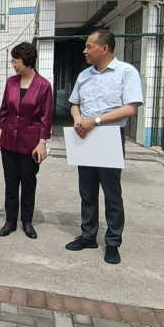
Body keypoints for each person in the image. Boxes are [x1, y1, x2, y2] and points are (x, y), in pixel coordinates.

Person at [65, 29, 143, 264]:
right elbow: (75, 103)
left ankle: (113, 242)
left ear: (104, 48)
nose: (85, 51)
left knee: (112, 194)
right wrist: (78, 119)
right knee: (87, 191)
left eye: (89, 46)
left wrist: (95, 121)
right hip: (85, 136)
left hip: (109, 136)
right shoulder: (84, 75)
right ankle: (88, 235)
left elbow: (130, 108)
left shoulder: (126, 72)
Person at [0, 43, 52, 240]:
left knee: (28, 182)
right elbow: (4, 109)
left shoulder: (43, 85)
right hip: (9, 140)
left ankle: (27, 221)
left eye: (16, 61)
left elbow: (46, 117)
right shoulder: (11, 82)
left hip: (31, 143)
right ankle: (10, 220)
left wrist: (42, 142)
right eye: (12, 61)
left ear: (27, 61)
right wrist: (0, 133)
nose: (13, 65)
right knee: (11, 182)